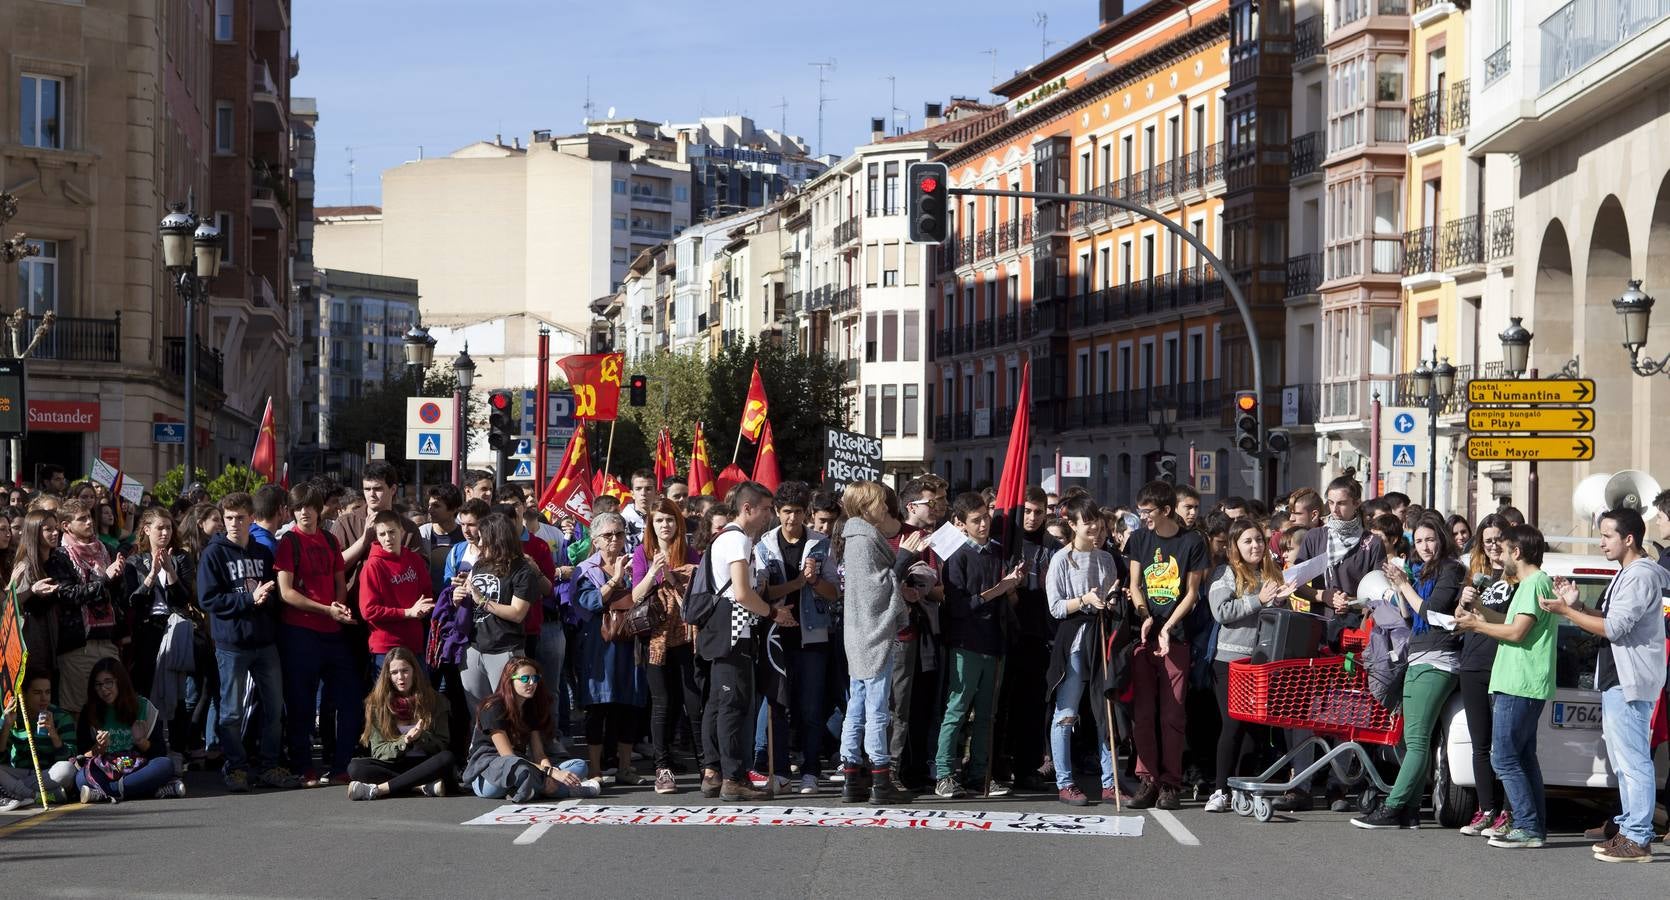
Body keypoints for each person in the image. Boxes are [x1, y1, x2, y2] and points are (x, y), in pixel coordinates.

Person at [1543, 509, 1670, 862]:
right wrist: (1578, 605)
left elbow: (1614, 630)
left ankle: (1639, 837)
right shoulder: (1627, 573)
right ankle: (1630, 828)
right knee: (1622, 759)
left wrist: (1566, 613)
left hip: (1630, 681)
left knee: (1633, 761)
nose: (1601, 541)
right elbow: (1612, 620)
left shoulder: (1640, 575)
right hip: (1618, 679)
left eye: (1607, 535)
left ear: (1629, 538)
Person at [1353, 510, 1466, 829]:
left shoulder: (1451, 569)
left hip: (1436, 658)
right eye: (1419, 540)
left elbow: (1430, 612)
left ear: (1441, 539)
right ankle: (1411, 810)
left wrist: (1406, 584)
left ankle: (1392, 807)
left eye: (1430, 539)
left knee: (1415, 741)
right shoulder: (1427, 570)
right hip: (1421, 656)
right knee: (1415, 740)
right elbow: (1408, 614)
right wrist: (1399, 586)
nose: (1426, 546)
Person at [1455, 524, 1557, 850]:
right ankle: (1534, 826)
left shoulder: (1534, 584)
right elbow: (1509, 623)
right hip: (1517, 683)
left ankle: (1526, 825)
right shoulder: (1530, 584)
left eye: (1506, 548)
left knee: (1505, 759)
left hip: (1520, 684)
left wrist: (1476, 625)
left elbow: (1517, 634)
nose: (1501, 554)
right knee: (1523, 758)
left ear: (1517, 552)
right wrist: (1480, 612)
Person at [199, 492, 301, 792]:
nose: (233, 524)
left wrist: (265, 601)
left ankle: (270, 765)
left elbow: (275, 592)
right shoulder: (213, 554)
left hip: (265, 641)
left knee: (273, 708)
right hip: (231, 644)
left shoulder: (263, 552)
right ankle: (236, 767)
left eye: (239, 518)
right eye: (228, 518)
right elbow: (209, 599)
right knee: (231, 711)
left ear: (251, 519)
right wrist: (248, 599)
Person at [747, 482, 838, 795]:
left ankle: (812, 770)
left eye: (798, 512)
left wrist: (813, 583)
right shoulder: (764, 546)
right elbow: (762, 593)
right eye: (786, 512)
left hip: (813, 637)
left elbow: (833, 591)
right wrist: (798, 582)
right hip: (776, 637)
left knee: (812, 708)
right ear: (777, 512)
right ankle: (781, 770)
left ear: (807, 513)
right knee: (778, 707)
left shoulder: (821, 543)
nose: (792, 519)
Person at [932, 492, 1023, 799]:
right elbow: (957, 606)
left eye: (986, 517)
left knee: (987, 714)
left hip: (995, 643)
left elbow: (1007, 597)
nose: (984, 524)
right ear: (961, 524)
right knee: (957, 710)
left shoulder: (998, 552)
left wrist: (1011, 588)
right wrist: (997, 590)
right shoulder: (956, 556)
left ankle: (979, 774)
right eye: (976, 520)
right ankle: (944, 773)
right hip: (965, 643)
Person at [693, 481, 781, 801]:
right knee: (732, 704)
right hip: (734, 630)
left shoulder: (729, 538)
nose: (769, 516)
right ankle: (733, 777)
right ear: (748, 508)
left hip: (725, 629)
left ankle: (714, 772)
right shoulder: (736, 540)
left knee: (718, 704)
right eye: (767, 509)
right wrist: (773, 613)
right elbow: (742, 594)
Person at [1124, 480, 1209, 810]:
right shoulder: (1139, 539)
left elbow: (1191, 592)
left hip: (1177, 637)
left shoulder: (1192, 542)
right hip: (1144, 635)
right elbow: (1134, 584)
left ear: (1165, 511)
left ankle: (1171, 784)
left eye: (1147, 512)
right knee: (1143, 713)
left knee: (1172, 713)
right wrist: (1144, 615)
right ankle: (1147, 780)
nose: (1142, 517)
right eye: (1140, 510)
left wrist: (1169, 626)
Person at [837, 481, 922, 804]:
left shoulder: (859, 536)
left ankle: (852, 777)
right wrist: (903, 560)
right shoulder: (861, 540)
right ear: (863, 506)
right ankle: (880, 779)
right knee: (875, 708)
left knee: (858, 705)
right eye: (879, 503)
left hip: (861, 633)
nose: (885, 508)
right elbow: (876, 590)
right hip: (871, 635)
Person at [1204, 519, 1294, 812]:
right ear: (1235, 547)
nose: (1255, 546)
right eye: (1247, 541)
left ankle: (1241, 786)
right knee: (1232, 725)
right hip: (1230, 660)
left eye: (1258, 539)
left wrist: (1280, 602)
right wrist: (1259, 599)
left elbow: (1283, 617)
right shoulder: (1226, 573)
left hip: (1262, 663)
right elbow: (1222, 612)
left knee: (1256, 729)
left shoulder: (1272, 572)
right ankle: (1219, 790)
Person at [275, 484, 360, 784]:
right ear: (291, 511)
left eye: (309, 507)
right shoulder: (289, 541)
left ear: (319, 509)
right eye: (298, 508)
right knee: (301, 703)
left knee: (348, 698)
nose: (304, 512)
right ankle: (303, 766)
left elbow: (340, 580)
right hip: (300, 632)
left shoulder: (329, 539)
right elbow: (286, 592)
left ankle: (341, 766)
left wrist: (338, 606)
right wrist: (327, 610)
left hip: (333, 631)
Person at [1044, 495, 1123, 806]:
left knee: (1106, 712)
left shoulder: (1106, 558)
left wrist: (1113, 599)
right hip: (1075, 640)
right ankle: (1065, 782)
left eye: (1096, 521)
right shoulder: (1061, 559)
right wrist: (1085, 601)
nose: (1094, 527)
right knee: (1067, 712)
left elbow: (1111, 594)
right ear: (1072, 524)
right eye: (1086, 521)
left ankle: (1109, 782)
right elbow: (1055, 607)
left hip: (1103, 638)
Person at [631, 498, 704, 794]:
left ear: (679, 523)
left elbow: (699, 593)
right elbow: (636, 596)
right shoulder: (641, 553)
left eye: (670, 520)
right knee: (661, 705)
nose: (665, 525)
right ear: (651, 524)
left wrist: (677, 575)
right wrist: (653, 572)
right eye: (659, 520)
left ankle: (707, 767)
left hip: (687, 638)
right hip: (656, 641)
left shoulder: (690, 552)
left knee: (694, 704)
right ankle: (663, 769)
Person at [573, 511, 649, 786]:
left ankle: (625, 767)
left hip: (631, 642)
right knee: (598, 706)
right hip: (598, 644)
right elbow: (589, 603)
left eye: (619, 534)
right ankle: (594, 770)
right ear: (595, 540)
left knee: (629, 704)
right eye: (608, 535)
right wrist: (616, 580)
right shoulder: (586, 569)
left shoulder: (637, 563)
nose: (614, 540)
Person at [995, 486, 1058, 795]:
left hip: (1038, 636)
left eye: (1038, 512)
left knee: (1032, 707)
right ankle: (995, 764)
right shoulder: (1006, 543)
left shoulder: (1054, 547)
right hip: (1006, 634)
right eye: (1027, 512)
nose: (1032, 518)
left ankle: (1027, 768)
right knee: (1000, 704)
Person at [462, 657, 595, 801]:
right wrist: (550, 773)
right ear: (510, 681)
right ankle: (564, 791)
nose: (532, 683)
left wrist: (549, 774)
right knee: (515, 772)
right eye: (525, 679)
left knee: (579, 766)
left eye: (535, 678)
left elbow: (539, 754)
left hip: (524, 767)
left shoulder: (531, 708)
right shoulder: (493, 707)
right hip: (490, 772)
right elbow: (508, 758)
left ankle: (529, 789)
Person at [1456, 513, 1513, 836]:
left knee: (1504, 744)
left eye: (1497, 539)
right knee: (1480, 742)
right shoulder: (1475, 573)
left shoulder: (1516, 576)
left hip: (1502, 663)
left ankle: (1507, 810)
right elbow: (1458, 618)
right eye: (1487, 540)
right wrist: (1463, 602)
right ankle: (1486, 808)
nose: (1492, 546)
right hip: (1473, 662)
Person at [47, 500, 127, 715]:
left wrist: (118, 578)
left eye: (90, 516)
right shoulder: (59, 556)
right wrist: (104, 579)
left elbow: (118, 596)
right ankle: (78, 751)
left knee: (111, 707)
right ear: (66, 526)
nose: (90, 521)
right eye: (82, 518)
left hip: (107, 641)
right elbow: (67, 595)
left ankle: (110, 750)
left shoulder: (107, 550)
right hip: (78, 646)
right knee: (78, 710)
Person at [346, 647, 456, 800]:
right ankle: (420, 786)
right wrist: (405, 741)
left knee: (447, 758)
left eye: (405, 671)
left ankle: (379, 790)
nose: (400, 677)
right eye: (394, 673)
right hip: (395, 764)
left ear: (414, 672)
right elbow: (378, 752)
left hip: (426, 764)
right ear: (388, 676)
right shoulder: (377, 704)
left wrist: (421, 737)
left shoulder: (435, 700)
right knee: (356, 767)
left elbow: (443, 745)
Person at [73, 658, 184, 802]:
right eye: (98, 684)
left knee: (165, 765)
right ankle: (147, 790)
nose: (103, 689)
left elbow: (159, 752)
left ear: (120, 681)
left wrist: (141, 742)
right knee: (80, 778)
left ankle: (106, 792)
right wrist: (99, 748)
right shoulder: (89, 711)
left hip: (137, 768)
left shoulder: (143, 708)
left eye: (108, 682)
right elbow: (82, 756)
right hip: (106, 769)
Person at [460, 513, 538, 710]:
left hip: (505, 648)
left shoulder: (522, 570)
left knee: (506, 709)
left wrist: (483, 601)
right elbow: (471, 601)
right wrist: (458, 595)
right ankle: (481, 742)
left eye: (482, 537)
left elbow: (518, 612)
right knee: (478, 709)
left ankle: (509, 743)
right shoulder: (479, 564)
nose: (479, 542)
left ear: (496, 537)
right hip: (474, 647)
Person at [121, 507, 195, 712]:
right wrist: (152, 575)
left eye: (169, 528)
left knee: (178, 689)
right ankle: (148, 738)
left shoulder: (181, 558)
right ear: (146, 529)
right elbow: (133, 601)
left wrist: (170, 570)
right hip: (147, 630)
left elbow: (183, 597)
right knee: (145, 686)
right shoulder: (135, 561)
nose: (165, 533)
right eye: (160, 528)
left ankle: (178, 741)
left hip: (176, 628)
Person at [359, 510, 436, 667]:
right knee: (389, 692)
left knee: (420, 691)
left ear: (401, 531)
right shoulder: (373, 566)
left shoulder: (414, 559)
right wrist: (408, 612)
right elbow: (368, 610)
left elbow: (427, 591)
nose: (388, 538)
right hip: (386, 647)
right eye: (382, 534)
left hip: (414, 644)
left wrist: (425, 608)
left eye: (392, 532)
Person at [0, 668, 78, 807]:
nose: (44, 698)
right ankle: (39, 796)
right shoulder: (13, 716)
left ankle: (18, 794)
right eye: (37, 693)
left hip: (48, 773)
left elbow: (71, 757)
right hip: (20, 772)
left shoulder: (61, 717)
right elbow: (2, 760)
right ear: (23, 694)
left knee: (67, 769)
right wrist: (6, 727)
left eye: (47, 692)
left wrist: (53, 735)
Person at [622, 470, 660, 554]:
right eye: (638, 489)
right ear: (632, 493)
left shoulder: (664, 518)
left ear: (656, 493)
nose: (643, 493)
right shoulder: (622, 520)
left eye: (648, 489)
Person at [249, 484, 289, 556]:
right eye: (286, 509)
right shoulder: (269, 548)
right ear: (280, 510)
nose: (288, 514)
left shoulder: (246, 535)